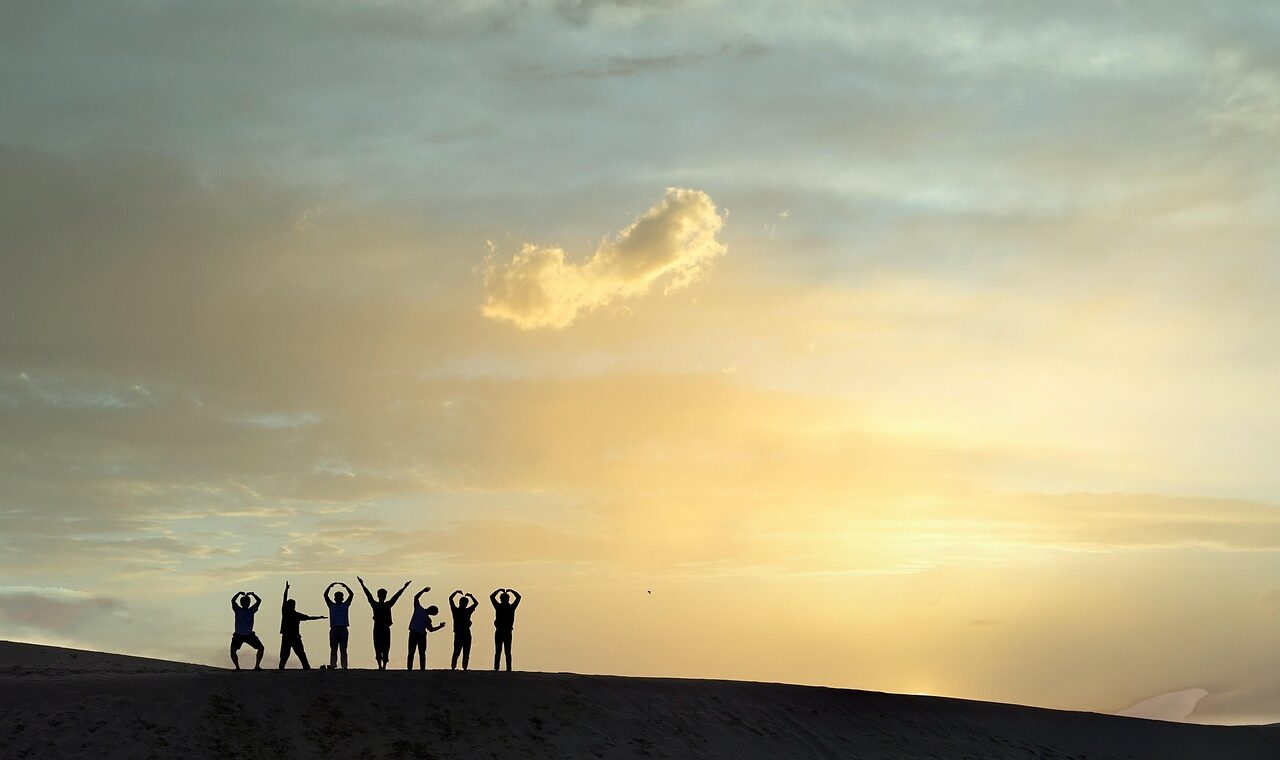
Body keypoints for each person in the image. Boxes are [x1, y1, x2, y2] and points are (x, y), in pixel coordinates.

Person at [358, 576, 411, 670]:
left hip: (384, 628)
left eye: (383, 595)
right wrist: (362, 584)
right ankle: (380, 665)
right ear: (378, 595)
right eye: (381, 594)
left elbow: (396, 596)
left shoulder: (386, 605)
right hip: (379, 628)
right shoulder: (378, 605)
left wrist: (404, 587)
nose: (382, 596)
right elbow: (368, 594)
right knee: (378, 647)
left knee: (385, 647)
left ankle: (383, 666)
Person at [279, 580, 326, 670]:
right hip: (288, 636)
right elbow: (284, 599)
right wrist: (286, 590)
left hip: (294, 636)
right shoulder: (286, 612)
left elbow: (309, 617)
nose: (290, 606)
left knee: (299, 653)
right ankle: (283, 668)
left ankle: (306, 667)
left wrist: (319, 617)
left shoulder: (295, 614)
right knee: (286, 654)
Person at [406, 587, 446, 670]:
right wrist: (423, 591)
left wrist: (439, 626)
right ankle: (417, 668)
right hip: (418, 634)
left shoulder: (420, 611)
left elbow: (430, 629)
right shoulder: (420, 610)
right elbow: (416, 597)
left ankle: (415, 668)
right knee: (416, 652)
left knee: (415, 652)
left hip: (416, 633)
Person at [229, 591, 265, 671]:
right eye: (244, 602)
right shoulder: (238, 610)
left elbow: (259, 601)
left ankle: (257, 666)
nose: (246, 604)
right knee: (232, 650)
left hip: (249, 635)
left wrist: (252, 594)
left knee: (261, 648)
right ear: (241, 603)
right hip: (239, 635)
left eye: (247, 602)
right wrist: (238, 594)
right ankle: (237, 667)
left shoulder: (251, 610)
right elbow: (233, 601)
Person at [490, 588, 521, 672]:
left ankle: (497, 667)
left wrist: (498, 590)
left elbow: (492, 597)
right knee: (507, 651)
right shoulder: (511, 607)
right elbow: (518, 597)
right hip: (506, 631)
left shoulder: (499, 607)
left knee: (498, 651)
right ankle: (508, 668)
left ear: (501, 599)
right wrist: (512, 591)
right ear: (508, 599)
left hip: (500, 631)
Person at [324, 581, 354, 669]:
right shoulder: (331, 605)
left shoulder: (345, 605)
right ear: (335, 598)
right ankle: (333, 664)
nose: (339, 598)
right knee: (333, 648)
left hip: (343, 629)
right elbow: (325, 595)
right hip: (334, 629)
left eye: (340, 597)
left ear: (342, 598)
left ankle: (344, 665)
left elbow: (351, 595)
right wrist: (329, 586)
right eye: (337, 597)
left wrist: (346, 586)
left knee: (343, 649)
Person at [448, 590, 478, 670]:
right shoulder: (467, 611)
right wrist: (471, 596)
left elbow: (450, 599)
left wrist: (456, 592)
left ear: (459, 602)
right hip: (465, 633)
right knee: (465, 652)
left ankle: (453, 667)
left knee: (457, 651)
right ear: (466, 604)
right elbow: (476, 603)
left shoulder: (456, 610)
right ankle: (464, 667)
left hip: (459, 633)